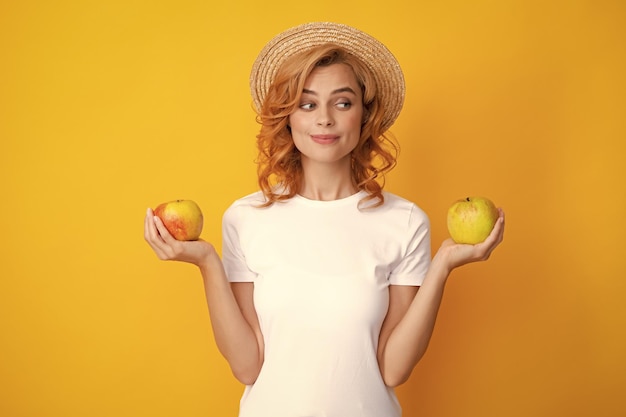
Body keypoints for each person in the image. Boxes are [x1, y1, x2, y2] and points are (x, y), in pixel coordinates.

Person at [144, 22, 505, 417]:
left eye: (343, 102)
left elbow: (393, 368)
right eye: (308, 103)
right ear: (288, 117)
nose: (325, 119)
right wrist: (207, 263)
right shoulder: (245, 218)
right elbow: (247, 366)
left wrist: (442, 267)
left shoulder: (405, 222)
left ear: (364, 116)